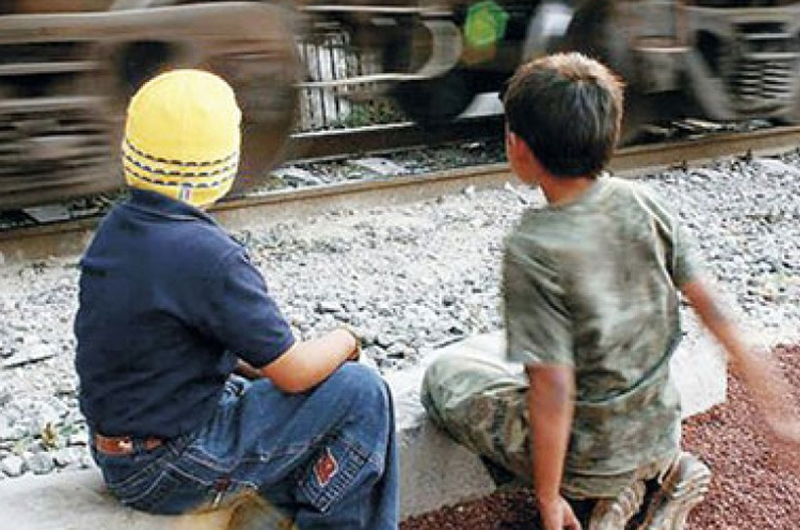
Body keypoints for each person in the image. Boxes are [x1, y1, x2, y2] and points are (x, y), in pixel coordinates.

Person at [421, 52, 800, 530]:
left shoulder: (534, 246)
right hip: (659, 430)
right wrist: (777, 407)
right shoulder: (644, 203)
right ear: (612, 134)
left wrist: (547, 497)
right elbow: (713, 308)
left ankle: (602, 494)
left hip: (591, 459)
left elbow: (553, 386)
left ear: (517, 148)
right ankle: (659, 474)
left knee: (445, 377)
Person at [74, 69, 398, 530]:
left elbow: (182, 353)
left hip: (121, 456)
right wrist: (347, 338)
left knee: (264, 393)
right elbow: (293, 373)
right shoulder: (209, 256)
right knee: (362, 393)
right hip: (171, 467)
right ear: (225, 160)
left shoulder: (118, 229)